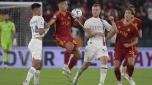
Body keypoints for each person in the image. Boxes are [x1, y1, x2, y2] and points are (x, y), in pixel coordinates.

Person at [73, 3, 114, 85]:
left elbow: (113, 30)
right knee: (85, 66)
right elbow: (89, 35)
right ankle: (76, 77)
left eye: (97, 10)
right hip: (91, 44)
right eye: (94, 10)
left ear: (100, 11)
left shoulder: (103, 21)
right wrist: (97, 33)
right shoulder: (88, 21)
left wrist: (107, 38)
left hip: (101, 44)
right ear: (92, 11)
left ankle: (101, 83)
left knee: (105, 60)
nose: (95, 11)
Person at [47, 0, 81, 81]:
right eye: (64, 4)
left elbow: (75, 23)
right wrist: (47, 25)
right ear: (60, 5)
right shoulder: (57, 14)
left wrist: (77, 20)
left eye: (67, 4)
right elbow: (52, 20)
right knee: (70, 46)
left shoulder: (70, 14)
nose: (66, 5)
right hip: (60, 37)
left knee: (78, 55)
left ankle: (67, 69)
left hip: (69, 37)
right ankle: (65, 65)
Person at [106, 7, 140, 85]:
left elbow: (136, 40)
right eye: (126, 13)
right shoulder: (118, 23)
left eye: (129, 13)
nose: (127, 14)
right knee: (116, 68)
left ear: (132, 16)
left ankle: (129, 76)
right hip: (119, 49)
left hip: (128, 49)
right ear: (124, 14)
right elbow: (115, 31)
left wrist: (129, 44)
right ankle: (119, 81)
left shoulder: (133, 27)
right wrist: (106, 38)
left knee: (131, 64)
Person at [23, 3, 47, 85]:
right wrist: (46, 28)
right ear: (35, 10)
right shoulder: (40, 18)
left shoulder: (32, 19)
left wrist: (44, 28)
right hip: (37, 42)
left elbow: (38, 31)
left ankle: (36, 83)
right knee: (37, 64)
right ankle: (26, 82)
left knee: (39, 65)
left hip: (33, 42)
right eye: (40, 9)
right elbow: (40, 32)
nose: (41, 10)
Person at [120, 5, 142, 81]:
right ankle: (124, 70)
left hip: (133, 42)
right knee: (131, 55)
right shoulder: (123, 20)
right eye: (128, 12)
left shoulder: (138, 21)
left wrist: (139, 34)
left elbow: (139, 31)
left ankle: (123, 68)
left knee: (133, 55)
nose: (130, 14)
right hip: (126, 42)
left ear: (134, 12)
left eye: (132, 12)